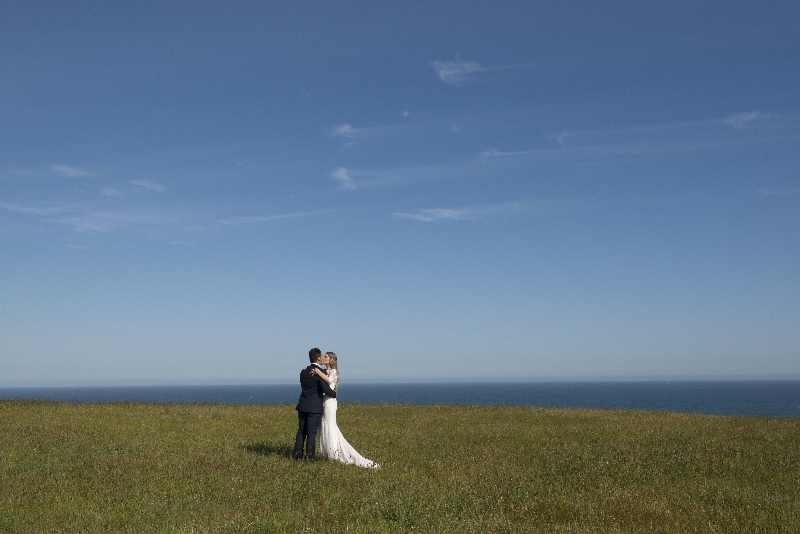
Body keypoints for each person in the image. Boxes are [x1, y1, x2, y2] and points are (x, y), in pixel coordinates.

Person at [311, 352, 380, 469]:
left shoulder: (332, 372)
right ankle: (326, 452)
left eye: (326, 357)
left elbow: (328, 381)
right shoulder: (323, 370)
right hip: (322, 402)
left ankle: (333, 453)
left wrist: (317, 372)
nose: (323, 358)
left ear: (331, 359)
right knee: (323, 426)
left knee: (330, 426)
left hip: (329, 403)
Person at [294, 348, 337, 462]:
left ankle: (298, 456)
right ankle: (309, 457)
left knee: (301, 431)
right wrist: (334, 393)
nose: (323, 357)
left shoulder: (304, 371)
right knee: (311, 433)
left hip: (303, 404)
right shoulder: (319, 372)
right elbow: (326, 389)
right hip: (314, 407)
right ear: (318, 358)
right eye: (322, 356)